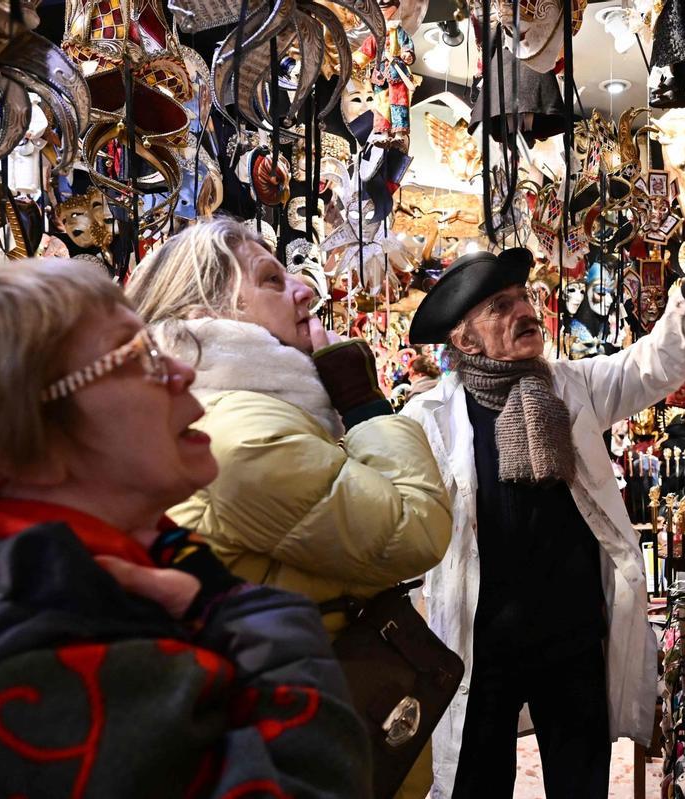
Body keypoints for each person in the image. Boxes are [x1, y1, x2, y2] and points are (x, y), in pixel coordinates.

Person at [0, 258, 370, 796]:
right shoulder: (36, 654)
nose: (180, 371)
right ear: (21, 444)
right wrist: (246, 611)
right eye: (136, 356)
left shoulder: (113, 572)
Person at [402, 239, 685, 799]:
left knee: (582, 786)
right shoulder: (427, 419)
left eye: (523, 297)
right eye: (500, 306)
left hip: (570, 641)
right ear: (462, 336)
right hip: (481, 648)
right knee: (474, 785)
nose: (524, 310)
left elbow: (653, 365)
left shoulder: (571, 387)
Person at [127, 218, 453, 799]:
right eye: (272, 281)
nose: (306, 289)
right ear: (210, 308)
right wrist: (365, 404)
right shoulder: (243, 432)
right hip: (302, 745)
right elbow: (416, 531)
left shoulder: (248, 410)